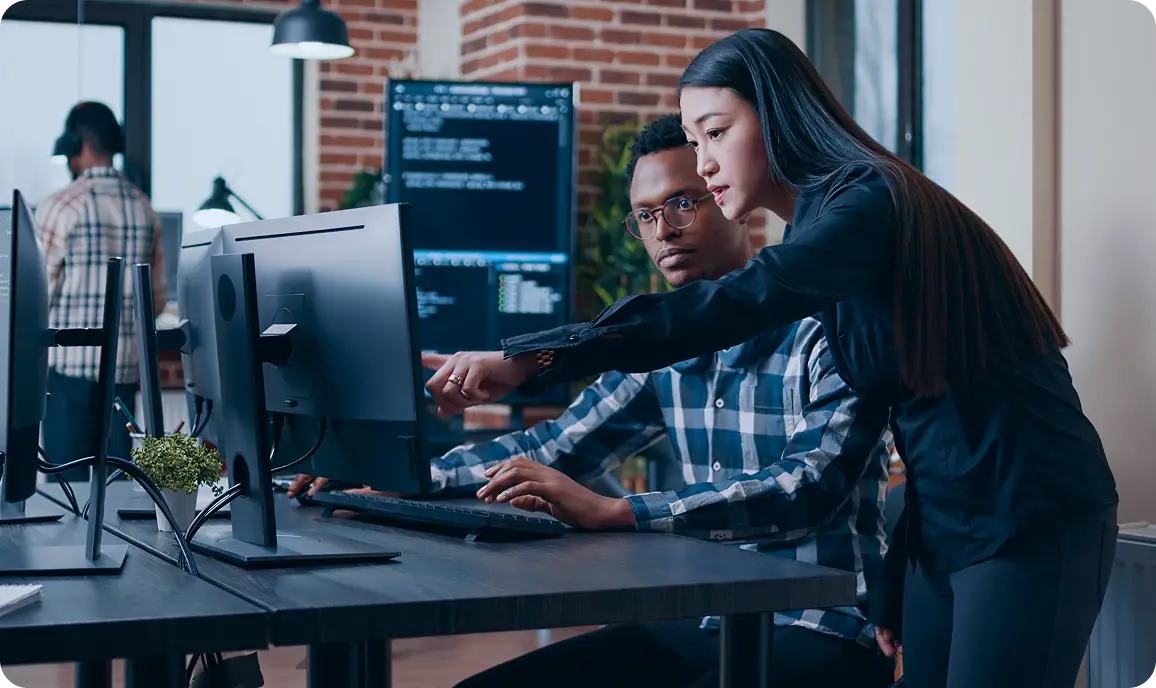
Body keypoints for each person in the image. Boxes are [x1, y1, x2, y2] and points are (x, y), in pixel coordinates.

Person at [423, 29, 1120, 688]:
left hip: (1030, 511)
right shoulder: (829, 225)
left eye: (717, 133)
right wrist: (900, 570)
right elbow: (926, 420)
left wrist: (534, 357)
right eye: (695, 140)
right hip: (943, 524)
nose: (703, 162)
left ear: (781, 116)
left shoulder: (867, 201)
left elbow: (741, 302)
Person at [290, 113, 896, 687]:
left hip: (824, 624)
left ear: (731, 198)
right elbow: (552, 448)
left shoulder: (827, 324)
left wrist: (620, 510)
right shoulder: (661, 347)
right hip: (706, 617)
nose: (664, 230)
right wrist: (396, 478)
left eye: (682, 203)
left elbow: (807, 485)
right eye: (646, 215)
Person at [36, 101, 166, 480]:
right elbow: (154, 301)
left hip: (68, 378)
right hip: (122, 380)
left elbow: (37, 299)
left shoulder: (60, 207)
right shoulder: (145, 209)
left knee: (67, 499)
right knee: (119, 499)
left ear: (75, 143)